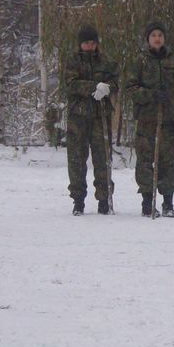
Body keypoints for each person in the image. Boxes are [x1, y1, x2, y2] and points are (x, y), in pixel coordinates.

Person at [126, 21, 174, 217]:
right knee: (145, 161)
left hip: (168, 121)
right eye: (153, 35)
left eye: (160, 35)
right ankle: (147, 202)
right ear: (148, 39)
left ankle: (168, 203)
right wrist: (151, 95)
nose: (157, 38)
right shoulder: (140, 61)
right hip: (147, 120)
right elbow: (131, 89)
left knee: (169, 162)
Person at [62, 24, 119, 215]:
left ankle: (104, 198)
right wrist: (94, 87)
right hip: (78, 116)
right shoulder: (72, 60)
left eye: (93, 42)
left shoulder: (106, 61)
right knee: (77, 159)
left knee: (103, 158)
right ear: (80, 44)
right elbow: (71, 84)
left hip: (100, 115)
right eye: (86, 42)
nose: (89, 46)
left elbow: (115, 83)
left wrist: (107, 88)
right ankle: (78, 200)